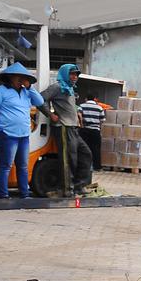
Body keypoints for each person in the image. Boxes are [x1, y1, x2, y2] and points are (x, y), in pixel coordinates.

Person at [0, 63, 43, 198]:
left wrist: (30, 87)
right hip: (7, 134)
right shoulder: (0, 91)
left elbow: (40, 101)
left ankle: (24, 193)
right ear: (10, 77)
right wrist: (0, 125)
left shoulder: (26, 92)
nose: (21, 80)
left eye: (23, 77)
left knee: (23, 166)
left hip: (24, 134)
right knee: (6, 165)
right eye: (18, 77)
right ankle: (3, 194)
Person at [40, 64, 92, 195]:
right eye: (72, 74)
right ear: (65, 74)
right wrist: (50, 114)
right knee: (68, 159)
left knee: (86, 154)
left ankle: (79, 185)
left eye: (76, 74)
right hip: (63, 127)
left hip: (73, 128)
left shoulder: (69, 88)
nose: (75, 77)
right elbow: (40, 99)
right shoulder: (57, 87)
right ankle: (66, 189)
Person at [78, 94, 106, 171]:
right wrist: (99, 128)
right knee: (96, 149)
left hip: (85, 130)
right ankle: (97, 167)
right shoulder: (99, 108)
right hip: (95, 130)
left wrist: (81, 124)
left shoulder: (82, 106)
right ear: (94, 99)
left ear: (86, 98)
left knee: (83, 148)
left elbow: (79, 114)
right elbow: (102, 120)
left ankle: (83, 166)